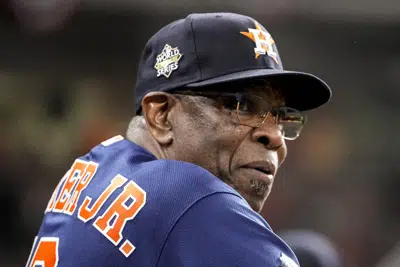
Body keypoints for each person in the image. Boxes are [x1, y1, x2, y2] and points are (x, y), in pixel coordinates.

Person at [26, 12, 332, 267]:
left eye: (280, 116)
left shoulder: (96, 165)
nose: (274, 136)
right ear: (161, 115)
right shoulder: (193, 196)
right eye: (242, 105)